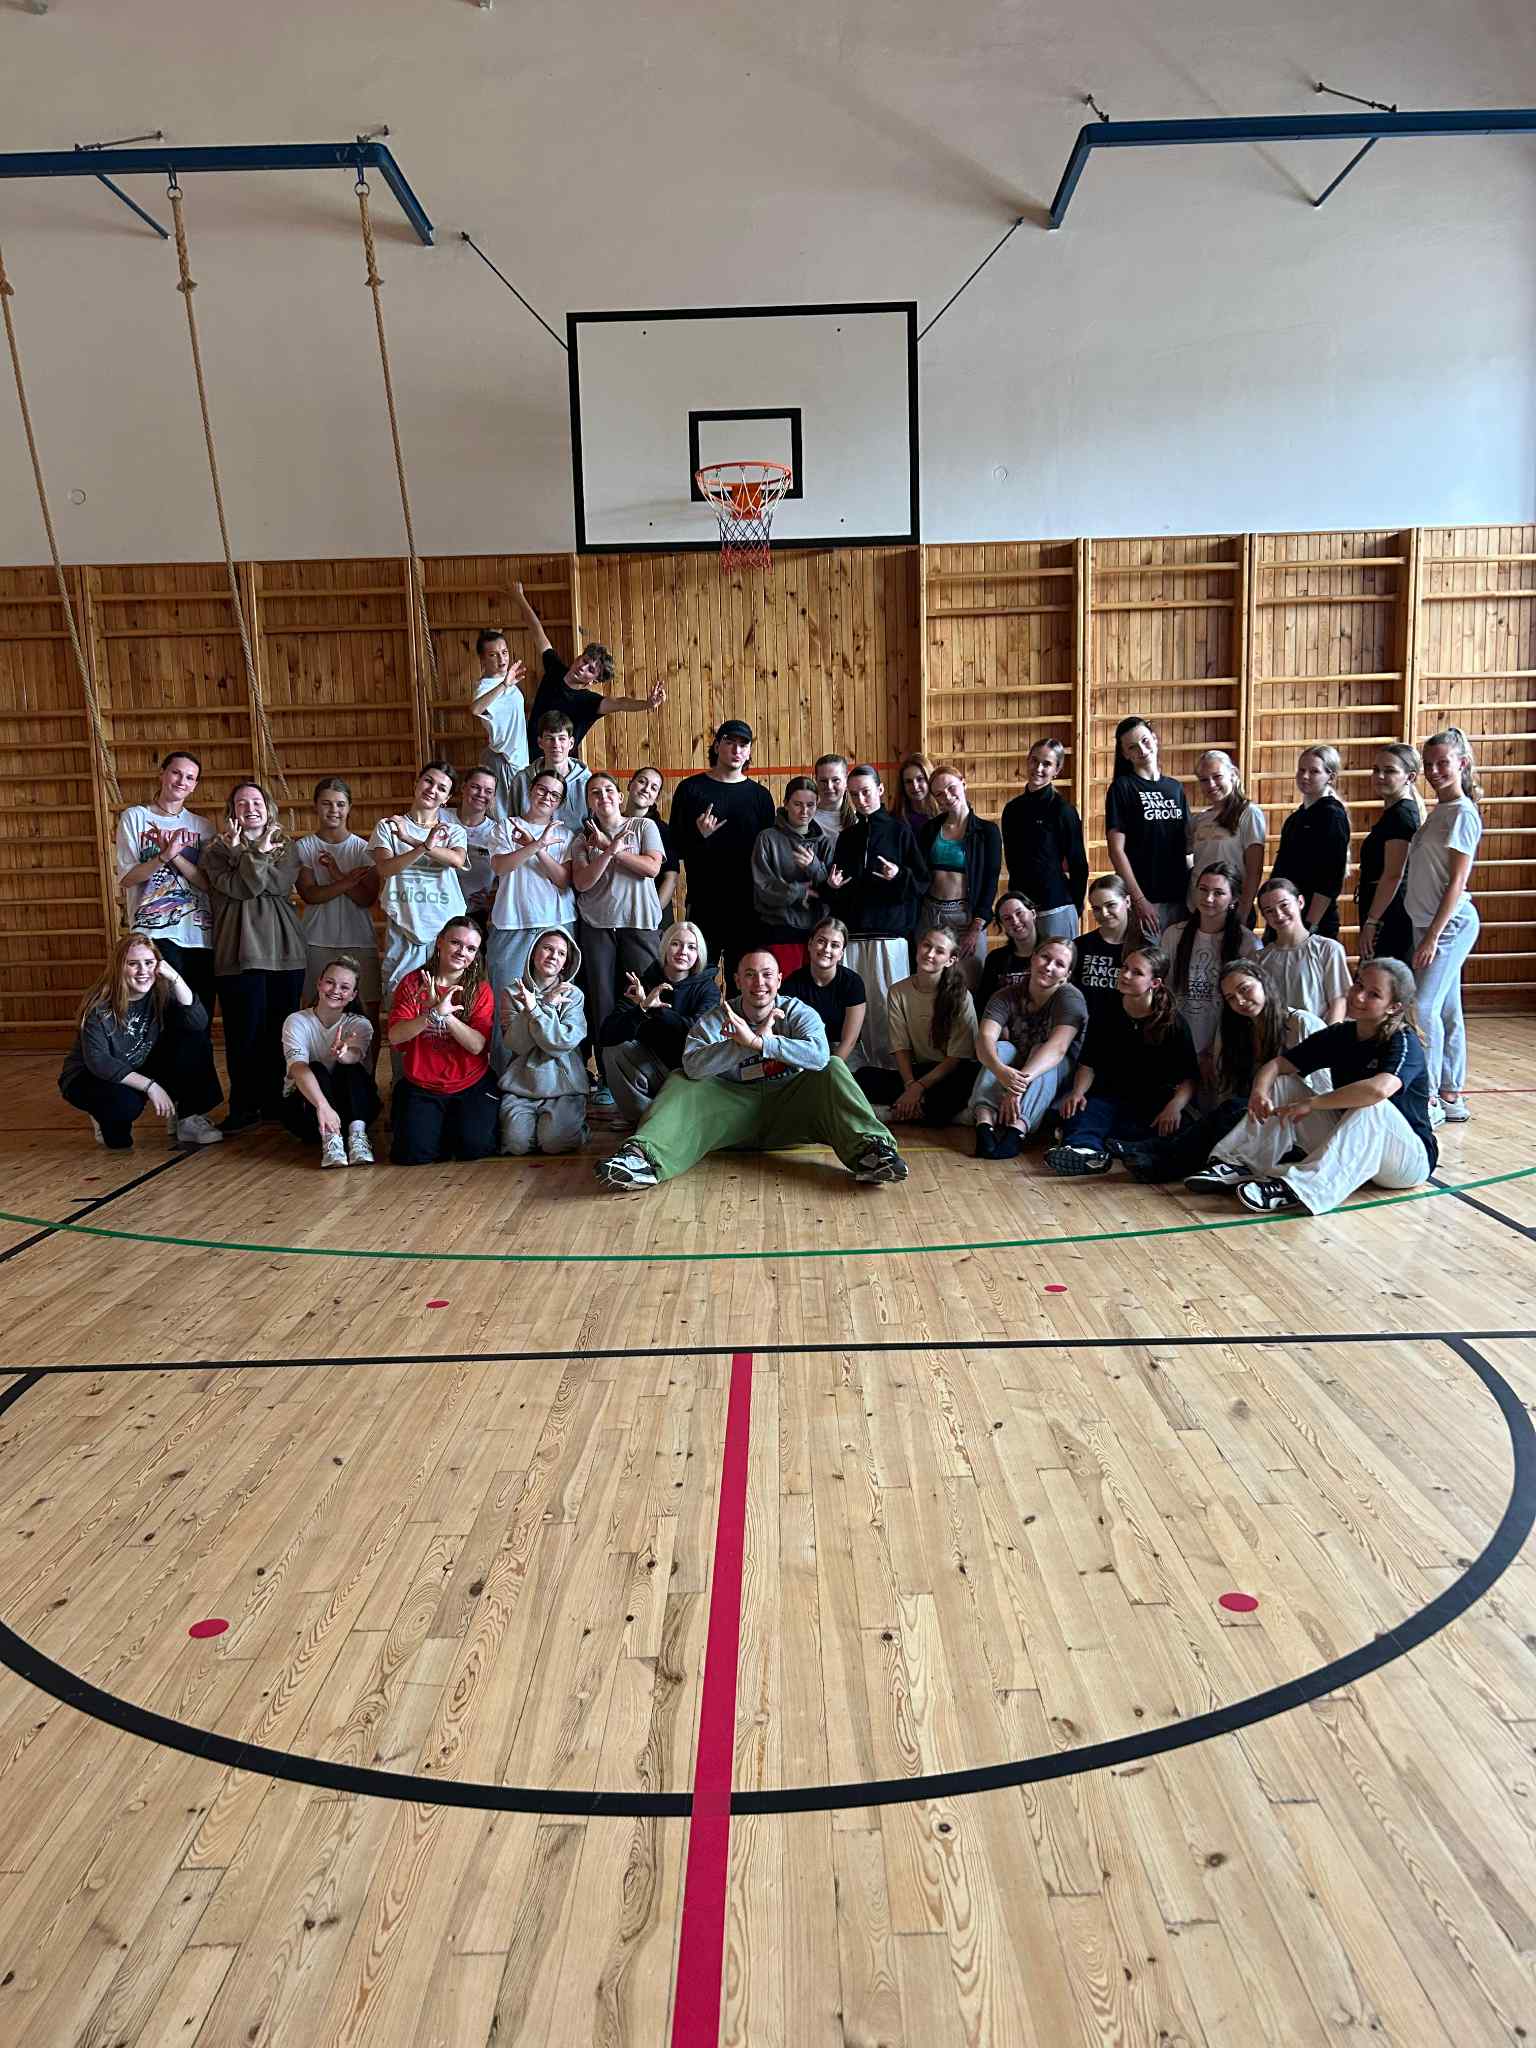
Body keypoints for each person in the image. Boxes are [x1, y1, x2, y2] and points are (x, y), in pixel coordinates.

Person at [594, 949, 907, 1189]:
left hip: (790, 1112)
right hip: (731, 1114)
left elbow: (819, 1056)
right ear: (737, 981)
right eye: (750, 975)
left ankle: (872, 1152)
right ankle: (641, 1158)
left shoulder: (798, 1012)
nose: (759, 983)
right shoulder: (718, 1017)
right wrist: (740, 1045)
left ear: (779, 980)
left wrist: (761, 1043)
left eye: (767, 975)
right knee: (681, 1079)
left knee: (834, 1067)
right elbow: (691, 1064)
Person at [1183, 958, 1436, 1215]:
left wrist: (1312, 1103)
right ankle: (1242, 1162)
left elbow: (1378, 1090)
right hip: (1354, 1145)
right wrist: (1259, 1093)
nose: (1359, 996)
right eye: (1358, 985)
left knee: (1372, 1106)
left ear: (1394, 1007)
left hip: (1406, 1162)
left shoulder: (1403, 1040)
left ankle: (1299, 1188)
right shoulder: (1341, 1034)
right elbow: (1277, 1065)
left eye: (1373, 994)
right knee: (1283, 1083)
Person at [1110, 959, 1325, 1184]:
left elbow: (1321, 1087)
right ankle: (1152, 1150)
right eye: (1231, 998)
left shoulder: (1301, 1023)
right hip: (1265, 1115)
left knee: (1233, 1110)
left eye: (1244, 989)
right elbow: (1231, 1087)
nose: (1240, 1001)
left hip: (1303, 1118)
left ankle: (1160, 1164)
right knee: (1227, 1111)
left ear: (1263, 982)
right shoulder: (1241, 1030)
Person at [203, 782, 307, 1132]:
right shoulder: (215, 849)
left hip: (284, 951)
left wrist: (245, 856)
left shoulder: (286, 845)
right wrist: (252, 853)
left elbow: (277, 885)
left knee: (279, 1031)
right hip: (238, 951)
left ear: (268, 807)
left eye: (256, 801)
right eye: (241, 803)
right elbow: (244, 887)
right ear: (232, 811)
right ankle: (244, 1106)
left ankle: (276, 1102)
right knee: (243, 1034)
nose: (250, 808)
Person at [1045, 944, 1197, 1176]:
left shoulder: (1173, 1023)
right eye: (1125, 968)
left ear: (1155, 983)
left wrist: (1175, 1106)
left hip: (1151, 1103)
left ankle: (1130, 1149)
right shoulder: (1105, 1010)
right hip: (1107, 1098)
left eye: (1137, 973)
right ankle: (1087, 1152)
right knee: (1079, 1111)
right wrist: (1078, 1092)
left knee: (1181, 1129)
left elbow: (1188, 1077)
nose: (1125, 975)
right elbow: (1088, 1064)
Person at [59, 934, 223, 1149]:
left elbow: (198, 1022)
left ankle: (187, 1117)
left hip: (137, 1064)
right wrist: (151, 1086)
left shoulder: (161, 992)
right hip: (90, 1076)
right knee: (121, 1128)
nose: (143, 971)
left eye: (149, 963)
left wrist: (175, 978)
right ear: (119, 967)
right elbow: (99, 1062)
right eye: (133, 964)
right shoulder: (99, 1005)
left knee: (192, 1035)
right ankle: (100, 1112)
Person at [822, 764, 928, 1071]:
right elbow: (837, 890)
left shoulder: (900, 831)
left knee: (888, 1005)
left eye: (866, 792)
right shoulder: (848, 837)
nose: (861, 799)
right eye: (854, 794)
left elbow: (922, 882)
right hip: (854, 936)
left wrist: (898, 876)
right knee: (857, 1006)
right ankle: (859, 1069)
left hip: (889, 936)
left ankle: (895, 1071)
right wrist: (832, 887)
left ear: (880, 790)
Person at [1406, 726, 1483, 1125]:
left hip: (1448, 926)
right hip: (1426, 923)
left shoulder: (1463, 814)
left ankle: (1430, 1096)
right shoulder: (1440, 810)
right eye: (1429, 764)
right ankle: (1452, 1091)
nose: (1434, 771)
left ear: (1462, 763)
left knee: (1422, 1008)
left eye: (1443, 763)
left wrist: (1433, 937)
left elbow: (1457, 883)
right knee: (1447, 1009)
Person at [386, 917, 499, 1165]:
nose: (462, 952)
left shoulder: (480, 989)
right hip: (422, 1085)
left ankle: (447, 1127)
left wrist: (444, 1015)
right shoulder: (413, 983)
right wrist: (430, 1015)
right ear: (439, 942)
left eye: (471, 948)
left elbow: (477, 1046)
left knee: (475, 1149)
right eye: (456, 943)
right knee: (413, 1155)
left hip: (469, 1083)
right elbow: (395, 1036)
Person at [669, 720, 775, 979]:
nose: (736, 750)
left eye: (743, 745)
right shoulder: (690, 789)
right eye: (730, 742)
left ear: (749, 752)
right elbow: (674, 847)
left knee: (744, 979)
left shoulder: (761, 796)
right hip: (705, 901)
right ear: (717, 746)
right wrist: (699, 835)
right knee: (698, 977)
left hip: (748, 906)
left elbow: (769, 855)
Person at [969, 935, 1088, 1159]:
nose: (1049, 967)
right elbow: (984, 1038)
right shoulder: (1005, 995)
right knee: (1002, 1048)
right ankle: (984, 1125)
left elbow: (1058, 1048)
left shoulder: (1070, 998)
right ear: (1033, 958)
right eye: (1045, 957)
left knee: (1040, 1050)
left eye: (1059, 964)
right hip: (1014, 1071)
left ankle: (1017, 1131)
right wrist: (1000, 1070)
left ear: (1067, 974)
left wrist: (1016, 1087)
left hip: (1057, 1075)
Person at [114, 750, 216, 1009]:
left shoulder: (202, 826)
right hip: (153, 934)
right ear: (162, 774)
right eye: (176, 773)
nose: (182, 781)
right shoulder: (135, 817)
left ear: (195, 785)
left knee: (198, 1014)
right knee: (164, 1013)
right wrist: (162, 857)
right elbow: (127, 878)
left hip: (199, 934)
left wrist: (174, 856)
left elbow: (206, 883)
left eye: (190, 777)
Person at [514, 581, 665, 752]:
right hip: (526, 756)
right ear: (578, 657)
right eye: (585, 661)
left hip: (560, 764)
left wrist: (647, 704)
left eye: (591, 670)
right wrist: (519, 596)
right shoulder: (555, 669)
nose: (583, 668)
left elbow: (620, 703)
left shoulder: (588, 702)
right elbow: (537, 631)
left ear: (593, 681)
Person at [572, 771, 665, 1047]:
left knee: (644, 995)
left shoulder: (643, 826)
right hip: (597, 925)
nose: (603, 796)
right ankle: (606, 1067)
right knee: (602, 1000)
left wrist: (611, 847)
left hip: (639, 922)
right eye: (595, 793)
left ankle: (648, 1059)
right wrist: (608, 851)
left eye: (608, 790)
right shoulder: (581, 839)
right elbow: (582, 882)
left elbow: (651, 868)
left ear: (620, 797)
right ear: (589, 802)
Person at [596, 921, 718, 1127]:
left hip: (688, 1074)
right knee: (614, 1049)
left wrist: (655, 1010)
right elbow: (606, 1035)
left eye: (691, 947)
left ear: (699, 954)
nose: (683, 952)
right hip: (652, 1072)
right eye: (676, 944)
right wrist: (641, 1009)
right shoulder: (642, 983)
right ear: (665, 947)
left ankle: (666, 1118)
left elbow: (694, 1034)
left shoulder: (708, 990)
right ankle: (642, 1119)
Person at [857, 924, 979, 1126]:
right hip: (920, 1072)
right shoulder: (898, 991)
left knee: (965, 1081)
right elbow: (901, 1047)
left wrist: (918, 1088)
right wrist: (910, 1084)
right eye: (926, 946)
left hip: (950, 1071)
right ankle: (925, 1111)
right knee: (863, 1077)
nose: (930, 954)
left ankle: (895, 1113)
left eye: (939, 951)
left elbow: (955, 1059)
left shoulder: (961, 997)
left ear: (950, 960)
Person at [1162, 861, 1261, 1101]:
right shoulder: (1174, 934)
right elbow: (1165, 993)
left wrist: (1212, 1052)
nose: (1208, 898)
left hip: (1225, 1047)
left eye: (1218, 893)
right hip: (1181, 1042)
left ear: (1234, 898)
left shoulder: (1247, 943)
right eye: (1203, 890)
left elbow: (1246, 1008)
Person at [369, 763, 470, 998]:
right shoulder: (389, 826)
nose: (432, 790)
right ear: (416, 783)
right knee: (400, 998)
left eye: (442, 788)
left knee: (445, 1000)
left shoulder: (453, 831)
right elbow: (385, 868)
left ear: (446, 799)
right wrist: (423, 847)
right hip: (404, 926)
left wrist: (411, 840)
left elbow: (456, 859)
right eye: (428, 781)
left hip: (446, 931)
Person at [278, 955, 379, 1168]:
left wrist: (343, 1054)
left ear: (353, 995)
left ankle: (357, 1137)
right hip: (309, 1110)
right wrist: (322, 1106)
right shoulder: (296, 1021)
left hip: (348, 1110)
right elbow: (297, 1067)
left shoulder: (360, 1024)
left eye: (344, 987)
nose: (335, 990)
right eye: (330, 982)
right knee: (315, 1067)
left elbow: (355, 1055)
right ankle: (330, 1139)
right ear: (319, 984)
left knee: (351, 1069)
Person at [495, 927, 589, 1155]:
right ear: (533, 953)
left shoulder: (574, 995)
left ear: (566, 963)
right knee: (516, 1144)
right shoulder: (512, 993)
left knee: (554, 1143)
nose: (553, 956)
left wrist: (538, 1009)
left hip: (564, 1086)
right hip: (522, 1085)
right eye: (547, 948)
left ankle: (577, 1126)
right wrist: (543, 1006)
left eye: (561, 953)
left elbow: (561, 1043)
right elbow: (516, 1044)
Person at [294, 777, 381, 1020]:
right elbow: (310, 895)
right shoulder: (304, 847)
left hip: (360, 940)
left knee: (367, 1011)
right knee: (313, 1010)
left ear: (349, 807)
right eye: (326, 803)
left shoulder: (364, 849)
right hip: (316, 940)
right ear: (315, 806)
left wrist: (335, 874)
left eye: (340, 804)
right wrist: (348, 881)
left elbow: (366, 898)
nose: (334, 810)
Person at [487, 766, 576, 993]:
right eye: (542, 790)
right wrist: (535, 845)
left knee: (554, 997)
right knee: (506, 993)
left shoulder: (565, 834)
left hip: (555, 922)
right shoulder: (507, 826)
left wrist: (539, 849)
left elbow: (563, 880)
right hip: (511, 921)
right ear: (530, 790)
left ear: (560, 802)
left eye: (554, 795)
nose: (547, 797)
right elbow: (500, 866)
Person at [1105, 716, 1190, 939]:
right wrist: (1139, 900)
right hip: (1147, 901)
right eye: (1132, 747)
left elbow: (1187, 847)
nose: (1142, 750)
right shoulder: (1122, 788)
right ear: (1125, 754)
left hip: (1181, 898)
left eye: (1145, 741)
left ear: (1154, 738)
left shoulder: (1175, 788)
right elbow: (1116, 851)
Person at [917, 765, 1001, 984]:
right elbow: (918, 874)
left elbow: (990, 882)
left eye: (951, 788)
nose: (946, 796)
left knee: (969, 983)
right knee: (932, 983)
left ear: (963, 783)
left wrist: (976, 926)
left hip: (966, 917)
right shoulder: (929, 829)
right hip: (930, 913)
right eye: (939, 794)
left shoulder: (987, 831)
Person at [999, 738, 1087, 940]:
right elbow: (1013, 863)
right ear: (1027, 761)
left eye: (1046, 764)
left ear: (1057, 770)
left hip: (1056, 906)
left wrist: (1076, 907)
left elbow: (1078, 864)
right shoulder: (1012, 810)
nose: (1038, 768)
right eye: (1034, 760)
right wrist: (1016, 904)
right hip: (1021, 910)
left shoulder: (1063, 810)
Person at [751, 777, 835, 975]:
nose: (804, 811)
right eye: (797, 804)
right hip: (780, 930)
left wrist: (814, 867)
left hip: (817, 933)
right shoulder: (767, 838)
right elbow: (763, 889)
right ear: (786, 803)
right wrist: (799, 891)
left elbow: (832, 890)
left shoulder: (824, 842)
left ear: (817, 805)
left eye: (810, 805)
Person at [1270, 745, 1350, 938]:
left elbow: (1330, 878)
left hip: (1313, 919)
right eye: (1301, 770)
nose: (1305, 776)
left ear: (1330, 777)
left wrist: (1310, 925)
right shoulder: (1296, 817)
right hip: (1286, 914)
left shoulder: (1332, 815)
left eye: (1314, 771)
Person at [1356, 745, 1422, 968]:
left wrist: (1372, 921)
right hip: (1382, 906)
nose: (1380, 776)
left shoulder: (1402, 816)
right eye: (1376, 770)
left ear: (1410, 777)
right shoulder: (1394, 813)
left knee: (1382, 976)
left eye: (1390, 771)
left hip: (1390, 913)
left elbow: (1394, 874)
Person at [1254, 876, 1349, 1024]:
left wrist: (1328, 1036)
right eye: (1269, 911)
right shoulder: (1260, 958)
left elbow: (1339, 1001)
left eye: (1284, 905)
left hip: (1318, 1035)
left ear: (1300, 902)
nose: (1278, 914)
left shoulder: (1328, 949)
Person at [1187, 751, 1265, 921]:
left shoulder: (1249, 813)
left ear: (1233, 774)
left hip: (1232, 908)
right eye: (1204, 780)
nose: (1211, 784)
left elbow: (1254, 870)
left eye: (1217, 776)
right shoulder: (1199, 819)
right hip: (1199, 907)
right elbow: (1191, 857)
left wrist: (1243, 911)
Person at [784, 916, 867, 1065]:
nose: (827, 949)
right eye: (821, 941)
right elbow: (788, 1035)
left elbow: (849, 1040)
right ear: (810, 944)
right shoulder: (791, 983)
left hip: (844, 1052)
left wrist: (829, 1069)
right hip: (804, 1050)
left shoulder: (853, 983)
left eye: (835, 945)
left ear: (841, 953)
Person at [470, 626, 529, 820]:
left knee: (521, 816)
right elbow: (476, 709)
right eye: (493, 655)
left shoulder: (507, 679)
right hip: (503, 760)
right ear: (482, 659)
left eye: (504, 652)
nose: (502, 659)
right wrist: (504, 685)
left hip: (518, 760)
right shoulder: (485, 687)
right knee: (503, 820)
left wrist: (507, 682)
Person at [1072, 875, 1132, 1038]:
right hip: (1084, 1032)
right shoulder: (1079, 946)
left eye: (1111, 905)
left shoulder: (1142, 948)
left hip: (1125, 1034)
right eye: (1097, 908)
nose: (1104, 914)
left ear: (1127, 901)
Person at [511, 711, 591, 834]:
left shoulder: (586, 782)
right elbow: (512, 821)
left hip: (576, 844)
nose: (556, 744)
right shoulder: (521, 779)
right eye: (549, 738)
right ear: (540, 742)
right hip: (530, 844)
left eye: (562, 738)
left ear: (571, 743)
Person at [446, 765, 501, 925]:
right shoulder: (440, 817)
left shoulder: (497, 832)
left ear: (493, 796)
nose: (481, 794)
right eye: (475, 787)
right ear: (463, 788)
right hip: (437, 906)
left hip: (474, 912)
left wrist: (493, 900)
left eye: (488, 791)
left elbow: (506, 874)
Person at [624, 766, 678, 923]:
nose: (646, 789)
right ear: (629, 785)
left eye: (653, 788)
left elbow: (671, 878)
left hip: (652, 914)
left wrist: (654, 912)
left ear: (656, 797)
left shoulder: (662, 830)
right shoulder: (613, 823)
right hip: (621, 911)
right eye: (642, 782)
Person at [974, 892, 1037, 1014]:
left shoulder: (1051, 953)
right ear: (1003, 926)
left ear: (1033, 914)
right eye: (1007, 918)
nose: (1015, 921)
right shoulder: (995, 959)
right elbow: (983, 1003)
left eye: (1019, 913)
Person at [892, 751, 937, 831]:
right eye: (909, 781)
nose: (915, 787)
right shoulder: (895, 819)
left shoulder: (944, 812)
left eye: (920, 779)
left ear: (929, 778)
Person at [813, 754, 853, 841]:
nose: (829, 786)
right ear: (816, 781)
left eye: (835, 780)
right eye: (823, 781)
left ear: (846, 780)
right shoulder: (807, 818)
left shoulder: (858, 820)